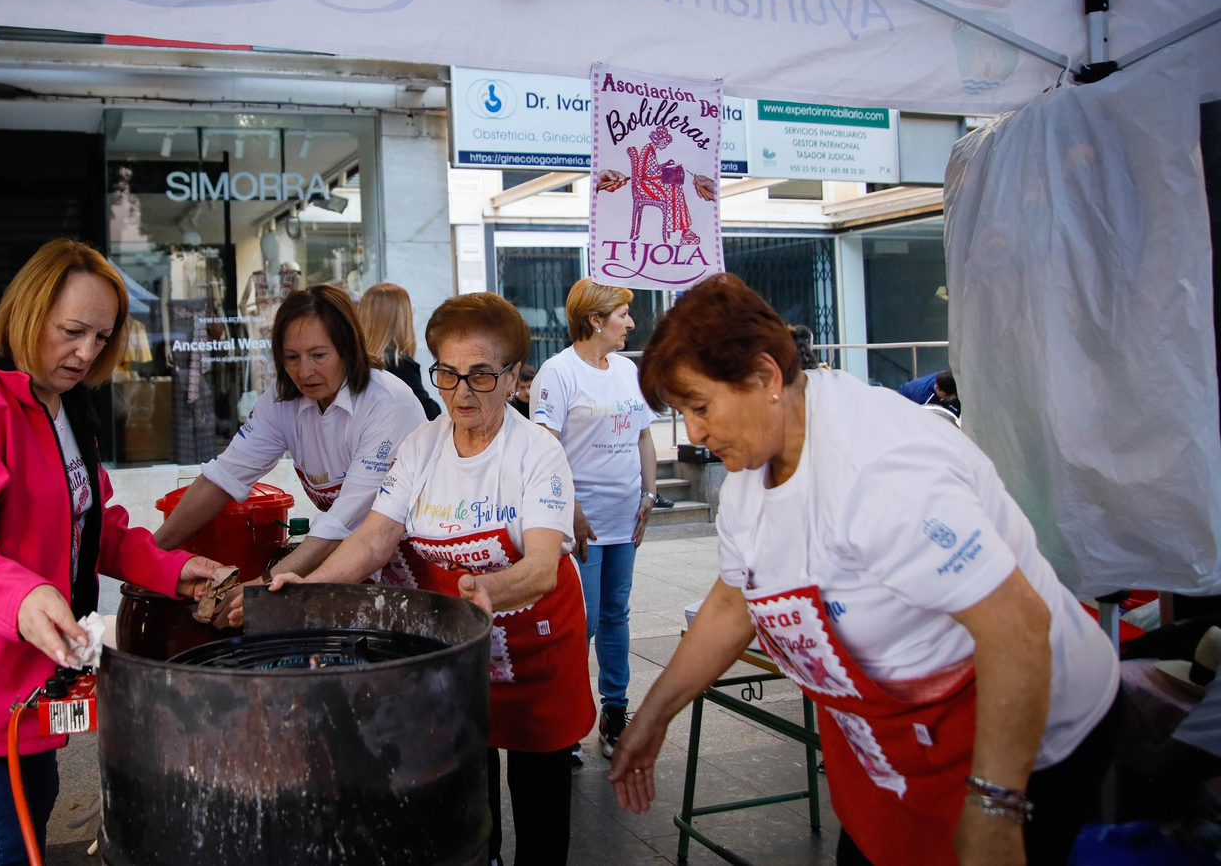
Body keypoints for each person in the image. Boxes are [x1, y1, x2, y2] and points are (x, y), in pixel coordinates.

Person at [610, 274, 1120, 866]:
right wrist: (652, 717)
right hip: (896, 738)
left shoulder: (881, 469)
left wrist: (994, 807)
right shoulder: (755, 467)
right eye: (681, 412)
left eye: (700, 407)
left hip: (1022, 734)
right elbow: (734, 600)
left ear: (767, 377)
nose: (693, 433)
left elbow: (1017, 628)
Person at [0, 239, 220, 864]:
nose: (86, 352)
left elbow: (95, 524)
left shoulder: (63, 404)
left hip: (30, 670)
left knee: (33, 818)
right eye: (71, 331)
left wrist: (173, 569)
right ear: (29, 313)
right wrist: (24, 593)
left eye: (101, 336)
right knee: (3, 847)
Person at [253, 292, 594, 865]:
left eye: (481, 376)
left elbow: (538, 568)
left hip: (538, 646)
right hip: (458, 650)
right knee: (468, 803)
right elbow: (373, 538)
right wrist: (313, 586)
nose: (461, 392)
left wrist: (488, 591)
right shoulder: (421, 446)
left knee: (540, 807)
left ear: (513, 377)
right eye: (448, 374)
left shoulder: (537, 452)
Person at [157, 284, 426, 580]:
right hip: (353, 570)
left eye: (318, 355)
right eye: (292, 358)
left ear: (348, 348)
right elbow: (224, 477)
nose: (305, 371)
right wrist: (150, 553)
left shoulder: (387, 404)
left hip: (417, 567)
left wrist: (262, 586)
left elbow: (342, 522)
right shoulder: (282, 399)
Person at [533, 277, 658, 760]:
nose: (630, 322)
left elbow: (644, 437)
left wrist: (648, 494)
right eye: (623, 314)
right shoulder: (557, 372)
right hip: (577, 525)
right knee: (576, 625)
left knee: (614, 615)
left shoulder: (627, 370)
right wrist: (572, 513)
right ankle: (565, 721)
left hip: (624, 520)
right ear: (594, 320)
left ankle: (614, 712)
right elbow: (545, 449)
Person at [358, 281, 441, 420]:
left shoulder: (354, 363)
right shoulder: (399, 366)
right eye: (410, 310)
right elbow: (430, 415)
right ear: (402, 319)